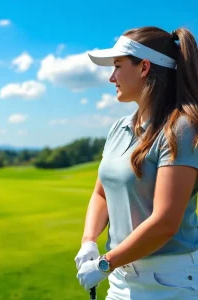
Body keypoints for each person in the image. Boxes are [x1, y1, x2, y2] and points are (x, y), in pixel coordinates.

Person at [74, 26, 198, 300]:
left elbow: (165, 222)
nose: (111, 77)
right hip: (120, 278)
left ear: (144, 67)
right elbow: (101, 192)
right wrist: (88, 241)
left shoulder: (180, 128)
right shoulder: (119, 128)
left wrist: (105, 263)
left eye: (117, 66)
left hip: (170, 282)